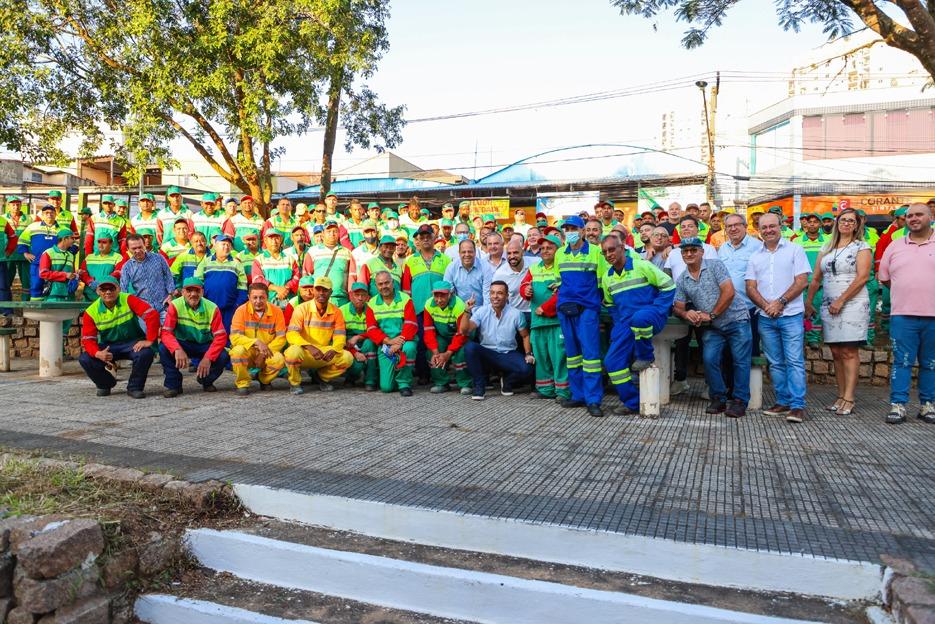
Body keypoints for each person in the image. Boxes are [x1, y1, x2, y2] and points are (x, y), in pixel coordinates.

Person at [804, 208, 871, 416]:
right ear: (836, 223)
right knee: (835, 352)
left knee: (849, 351)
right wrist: (808, 301)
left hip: (852, 303)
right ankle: (840, 396)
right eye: (843, 219)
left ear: (857, 225)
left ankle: (849, 398)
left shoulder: (862, 246)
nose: (846, 223)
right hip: (829, 304)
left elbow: (862, 277)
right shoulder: (826, 247)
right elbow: (816, 278)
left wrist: (842, 300)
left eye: (851, 220)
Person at [673, 238, 751, 418]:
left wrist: (712, 314)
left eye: (693, 250)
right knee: (709, 360)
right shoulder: (683, 279)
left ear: (702, 251)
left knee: (740, 361)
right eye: (685, 251)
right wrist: (686, 313)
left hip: (736, 319)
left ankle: (740, 401)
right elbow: (678, 306)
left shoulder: (715, 265)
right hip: (713, 327)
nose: (689, 254)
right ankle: (718, 398)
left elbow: (729, 292)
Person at [745, 212, 811, 423]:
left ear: (780, 226)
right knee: (775, 363)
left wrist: (780, 302)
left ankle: (797, 405)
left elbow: (802, 281)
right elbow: (750, 286)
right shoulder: (755, 256)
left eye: (772, 226)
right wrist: (767, 306)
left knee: (794, 361)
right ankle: (783, 401)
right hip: (766, 317)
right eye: (764, 227)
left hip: (791, 314)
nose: (768, 230)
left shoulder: (795, 249)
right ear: (759, 230)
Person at [600, 235, 675, 415]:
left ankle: (645, 356)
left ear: (622, 248)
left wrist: (658, 309)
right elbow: (611, 305)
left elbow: (669, 286)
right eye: (605, 252)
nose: (608, 254)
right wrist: (619, 326)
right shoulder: (607, 277)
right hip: (627, 321)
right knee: (612, 362)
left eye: (612, 249)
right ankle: (632, 402)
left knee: (640, 318)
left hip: (651, 315)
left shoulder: (641, 265)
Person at [879, 202, 935, 425]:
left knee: (931, 363)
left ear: (930, 217)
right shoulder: (895, 245)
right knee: (901, 362)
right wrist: (906, 292)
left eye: (919, 214)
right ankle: (898, 405)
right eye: (909, 215)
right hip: (902, 315)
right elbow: (885, 278)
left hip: (933, 317)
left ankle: (928, 405)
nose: (913, 219)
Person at [554, 215, 605, 417]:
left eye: (574, 228)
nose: (570, 232)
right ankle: (578, 395)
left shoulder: (595, 252)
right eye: (566, 229)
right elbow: (559, 281)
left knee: (591, 356)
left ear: (583, 231)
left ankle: (593, 400)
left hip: (587, 310)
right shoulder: (560, 253)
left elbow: (601, 283)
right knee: (573, 356)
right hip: (566, 309)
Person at [79, 277, 159, 398]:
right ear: (98, 291)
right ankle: (105, 384)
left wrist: (149, 340)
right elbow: (88, 339)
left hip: (133, 343)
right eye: (103, 289)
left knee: (145, 353)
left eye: (112, 288)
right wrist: (97, 353)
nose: (108, 292)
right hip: (109, 346)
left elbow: (152, 315)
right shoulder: (91, 311)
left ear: (118, 289)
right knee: (85, 358)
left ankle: (134, 387)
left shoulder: (128, 299)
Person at [460, 281, 534, 400]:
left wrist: (528, 354)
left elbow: (525, 336)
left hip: (507, 353)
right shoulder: (481, 311)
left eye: (499, 293)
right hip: (487, 353)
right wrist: (467, 311)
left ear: (506, 295)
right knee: (470, 347)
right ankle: (479, 386)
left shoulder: (516, 314)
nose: (495, 296)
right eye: (492, 293)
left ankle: (507, 381)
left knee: (528, 368)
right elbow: (465, 331)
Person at [159, 277, 230, 397]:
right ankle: (173, 385)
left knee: (223, 356)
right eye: (189, 290)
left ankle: (205, 380)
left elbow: (221, 337)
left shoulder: (212, 308)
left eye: (197, 290)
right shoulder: (175, 305)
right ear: (182, 292)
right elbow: (166, 332)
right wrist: (177, 349)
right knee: (163, 348)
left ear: (202, 292)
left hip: (204, 344)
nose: (193, 294)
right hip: (182, 343)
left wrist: (208, 357)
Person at [520, 234, 568, 402]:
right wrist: (525, 291)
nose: (545, 251)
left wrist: (546, 308)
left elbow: (564, 292)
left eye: (550, 248)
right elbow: (524, 285)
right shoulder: (534, 268)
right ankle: (545, 389)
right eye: (543, 248)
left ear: (558, 250)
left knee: (559, 357)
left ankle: (563, 391)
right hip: (538, 322)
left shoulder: (562, 268)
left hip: (556, 322)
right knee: (541, 357)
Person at [402, 224, 451, 383]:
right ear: (417, 240)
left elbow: (450, 285)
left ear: (434, 237)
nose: (425, 239)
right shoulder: (410, 261)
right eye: (421, 237)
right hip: (419, 309)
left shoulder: (445, 259)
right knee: (422, 342)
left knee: (440, 340)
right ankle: (423, 374)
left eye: (428, 236)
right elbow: (406, 289)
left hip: (441, 309)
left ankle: (440, 372)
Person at [363, 270, 418, 396]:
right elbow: (371, 329)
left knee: (409, 348)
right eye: (380, 284)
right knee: (386, 387)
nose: (384, 286)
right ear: (376, 286)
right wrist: (389, 341)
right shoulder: (372, 304)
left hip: (405, 341)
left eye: (387, 282)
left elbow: (411, 324)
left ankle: (404, 383)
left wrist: (399, 343)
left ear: (393, 283)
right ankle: (395, 371)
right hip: (385, 345)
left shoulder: (405, 299)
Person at [230, 282, 287, 396]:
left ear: (267, 297)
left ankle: (263, 379)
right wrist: (256, 342)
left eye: (262, 297)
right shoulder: (241, 311)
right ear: (249, 297)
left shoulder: (277, 311)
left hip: (267, 351)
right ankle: (243, 383)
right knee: (237, 352)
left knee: (279, 360)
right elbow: (235, 337)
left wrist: (263, 353)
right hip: (248, 350)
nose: (258, 301)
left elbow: (281, 338)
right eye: (254, 297)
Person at [423, 281, 471, 394]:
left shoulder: (459, 305)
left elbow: (461, 333)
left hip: (461, 336)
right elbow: (428, 330)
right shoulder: (429, 305)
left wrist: (448, 353)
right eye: (436, 296)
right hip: (443, 336)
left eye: (443, 296)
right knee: (431, 353)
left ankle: (465, 383)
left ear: (450, 294)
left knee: (461, 354)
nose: (439, 300)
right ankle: (441, 382)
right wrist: (436, 352)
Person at [195, 233, 248, 332]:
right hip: (208, 308)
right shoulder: (205, 262)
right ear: (215, 246)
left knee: (227, 334)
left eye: (228, 245)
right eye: (223, 244)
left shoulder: (237, 264)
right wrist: (201, 304)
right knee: (210, 334)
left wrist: (237, 305)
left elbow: (243, 288)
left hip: (230, 309)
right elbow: (197, 284)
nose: (226, 247)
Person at [119, 234, 176, 320]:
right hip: (144, 310)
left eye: (140, 247)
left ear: (144, 245)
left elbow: (168, 276)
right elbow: (123, 290)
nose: (138, 250)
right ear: (128, 249)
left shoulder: (159, 258)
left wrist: (171, 295)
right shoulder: (127, 267)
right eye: (134, 248)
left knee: (167, 328)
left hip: (164, 306)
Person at [303, 221, 356, 309]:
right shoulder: (312, 251)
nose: (332, 234)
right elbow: (306, 276)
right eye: (329, 231)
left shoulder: (347, 252)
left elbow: (352, 276)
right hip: (318, 300)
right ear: (323, 234)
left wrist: (351, 296)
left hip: (341, 300)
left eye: (335, 231)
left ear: (339, 233)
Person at [17, 205, 63, 300]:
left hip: (56, 264)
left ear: (56, 214)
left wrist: (67, 255)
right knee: (36, 285)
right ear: (42, 215)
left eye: (52, 212)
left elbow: (73, 243)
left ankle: (51, 306)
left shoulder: (62, 229)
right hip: (37, 262)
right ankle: (35, 307)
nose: (49, 215)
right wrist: (25, 253)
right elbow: (22, 240)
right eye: (46, 213)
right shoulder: (33, 226)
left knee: (55, 287)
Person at [340, 281, 378, 391]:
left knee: (370, 344)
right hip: (348, 345)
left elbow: (375, 331)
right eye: (357, 295)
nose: (360, 298)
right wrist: (354, 352)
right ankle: (350, 378)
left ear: (367, 297)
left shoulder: (372, 309)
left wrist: (358, 337)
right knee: (357, 366)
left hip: (366, 342)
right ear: (351, 295)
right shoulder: (342, 311)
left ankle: (370, 380)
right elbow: (339, 337)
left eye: (363, 295)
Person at [251, 230, 299, 308]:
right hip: (267, 303)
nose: (274, 241)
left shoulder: (290, 259)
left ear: (280, 240)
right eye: (271, 238)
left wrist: (286, 288)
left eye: (277, 238)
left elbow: (296, 277)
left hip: (288, 302)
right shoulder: (259, 260)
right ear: (265, 240)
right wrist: (277, 288)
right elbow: (257, 280)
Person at [493, 237, 538, 316]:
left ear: (522, 252)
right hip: (514, 313)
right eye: (509, 253)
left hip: (536, 311)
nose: (512, 256)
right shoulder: (500, 274)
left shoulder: (536, 263)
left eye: (515, 252)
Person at [443, 237, 491, 309]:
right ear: (459, 253)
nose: (467, 254)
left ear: (475, 252)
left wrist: (485, 313)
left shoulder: (485, 267)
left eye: (470, 251)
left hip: (480, 310)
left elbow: (487, 295)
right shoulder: (451, 268)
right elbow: (448, 293)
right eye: (463, 252)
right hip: (459, 310)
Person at [38, 229, 79, 305]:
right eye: (72, 238)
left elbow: (71, 274)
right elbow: (43, 274)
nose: (74, 241)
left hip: (70, 296)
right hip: (53, 295)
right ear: (65, 239)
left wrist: (76, 275)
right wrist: (65, 275)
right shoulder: (48, 253)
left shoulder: (71, 255)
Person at [79, 234, 122, 301]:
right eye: (99, 242)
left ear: (111, 244)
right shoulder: (89, 257)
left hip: (108, 297)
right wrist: (89, 282)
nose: (101, 245)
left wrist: (102, 282)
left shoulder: (118, 257)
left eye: (104, 242)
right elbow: (83, 272)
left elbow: (117, 273)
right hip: (89, 296)